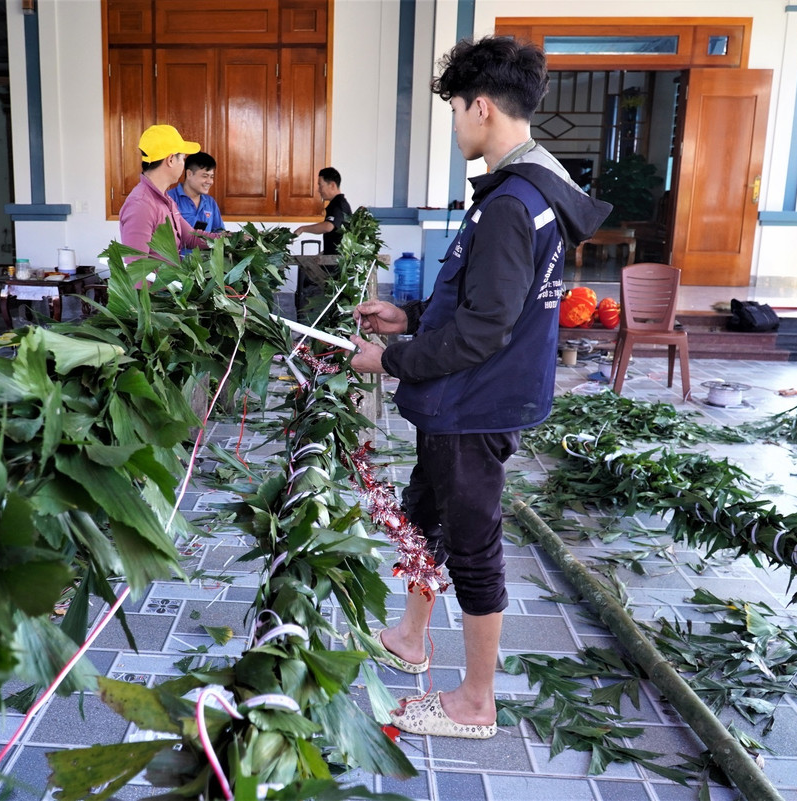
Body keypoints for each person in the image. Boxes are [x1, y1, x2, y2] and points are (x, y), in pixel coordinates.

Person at [349, 36, 610, 740]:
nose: (456, 125)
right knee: (422, 513)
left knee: (472, 544)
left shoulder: (509, 205)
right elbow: (489, 306)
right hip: (464, 398)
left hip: (473, 401)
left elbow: (483, 332)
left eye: (457, 111)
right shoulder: (527, 194)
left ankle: (476, 699)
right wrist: (407, 316)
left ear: (482, 107)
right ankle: (411, 636)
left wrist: (389, 357)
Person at [119, 125, 217, 260]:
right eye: (182, 159)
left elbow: (190, 237)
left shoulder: (166, 200)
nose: (183, 164)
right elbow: (136, 271)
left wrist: (234, 238)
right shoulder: (141, 205)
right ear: (171, 160)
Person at [293, 167, 352, 318]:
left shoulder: (338, 204)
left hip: (336, 263)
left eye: (320, 185)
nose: (319, 189)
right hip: (332, 260)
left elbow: (328, 226)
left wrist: (303, 228)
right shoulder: (337, 204)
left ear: (332, 185)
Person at [167, 151, 225, 243]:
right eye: (205, 176)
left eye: (212, 177)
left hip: (205, 257)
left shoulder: (210, 202)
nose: (209, 181)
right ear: (189, 174)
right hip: (177, 257)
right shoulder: (169, 199)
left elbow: (219, 232)